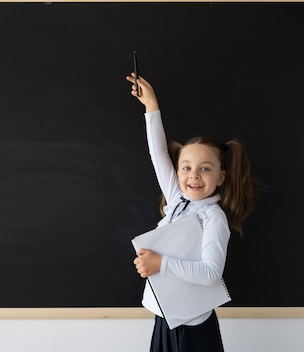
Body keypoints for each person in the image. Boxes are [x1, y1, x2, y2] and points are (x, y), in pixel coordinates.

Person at [126, 73, 260, 352]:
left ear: (221, 176)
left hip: (193, 326)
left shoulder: (215, 219)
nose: (194, 175)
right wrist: (151, 105)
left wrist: (161, 264)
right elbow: (158, 154)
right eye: (186, 167)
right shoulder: (176, 198)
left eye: (205, 168)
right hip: (165, 316)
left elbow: (211, 273)